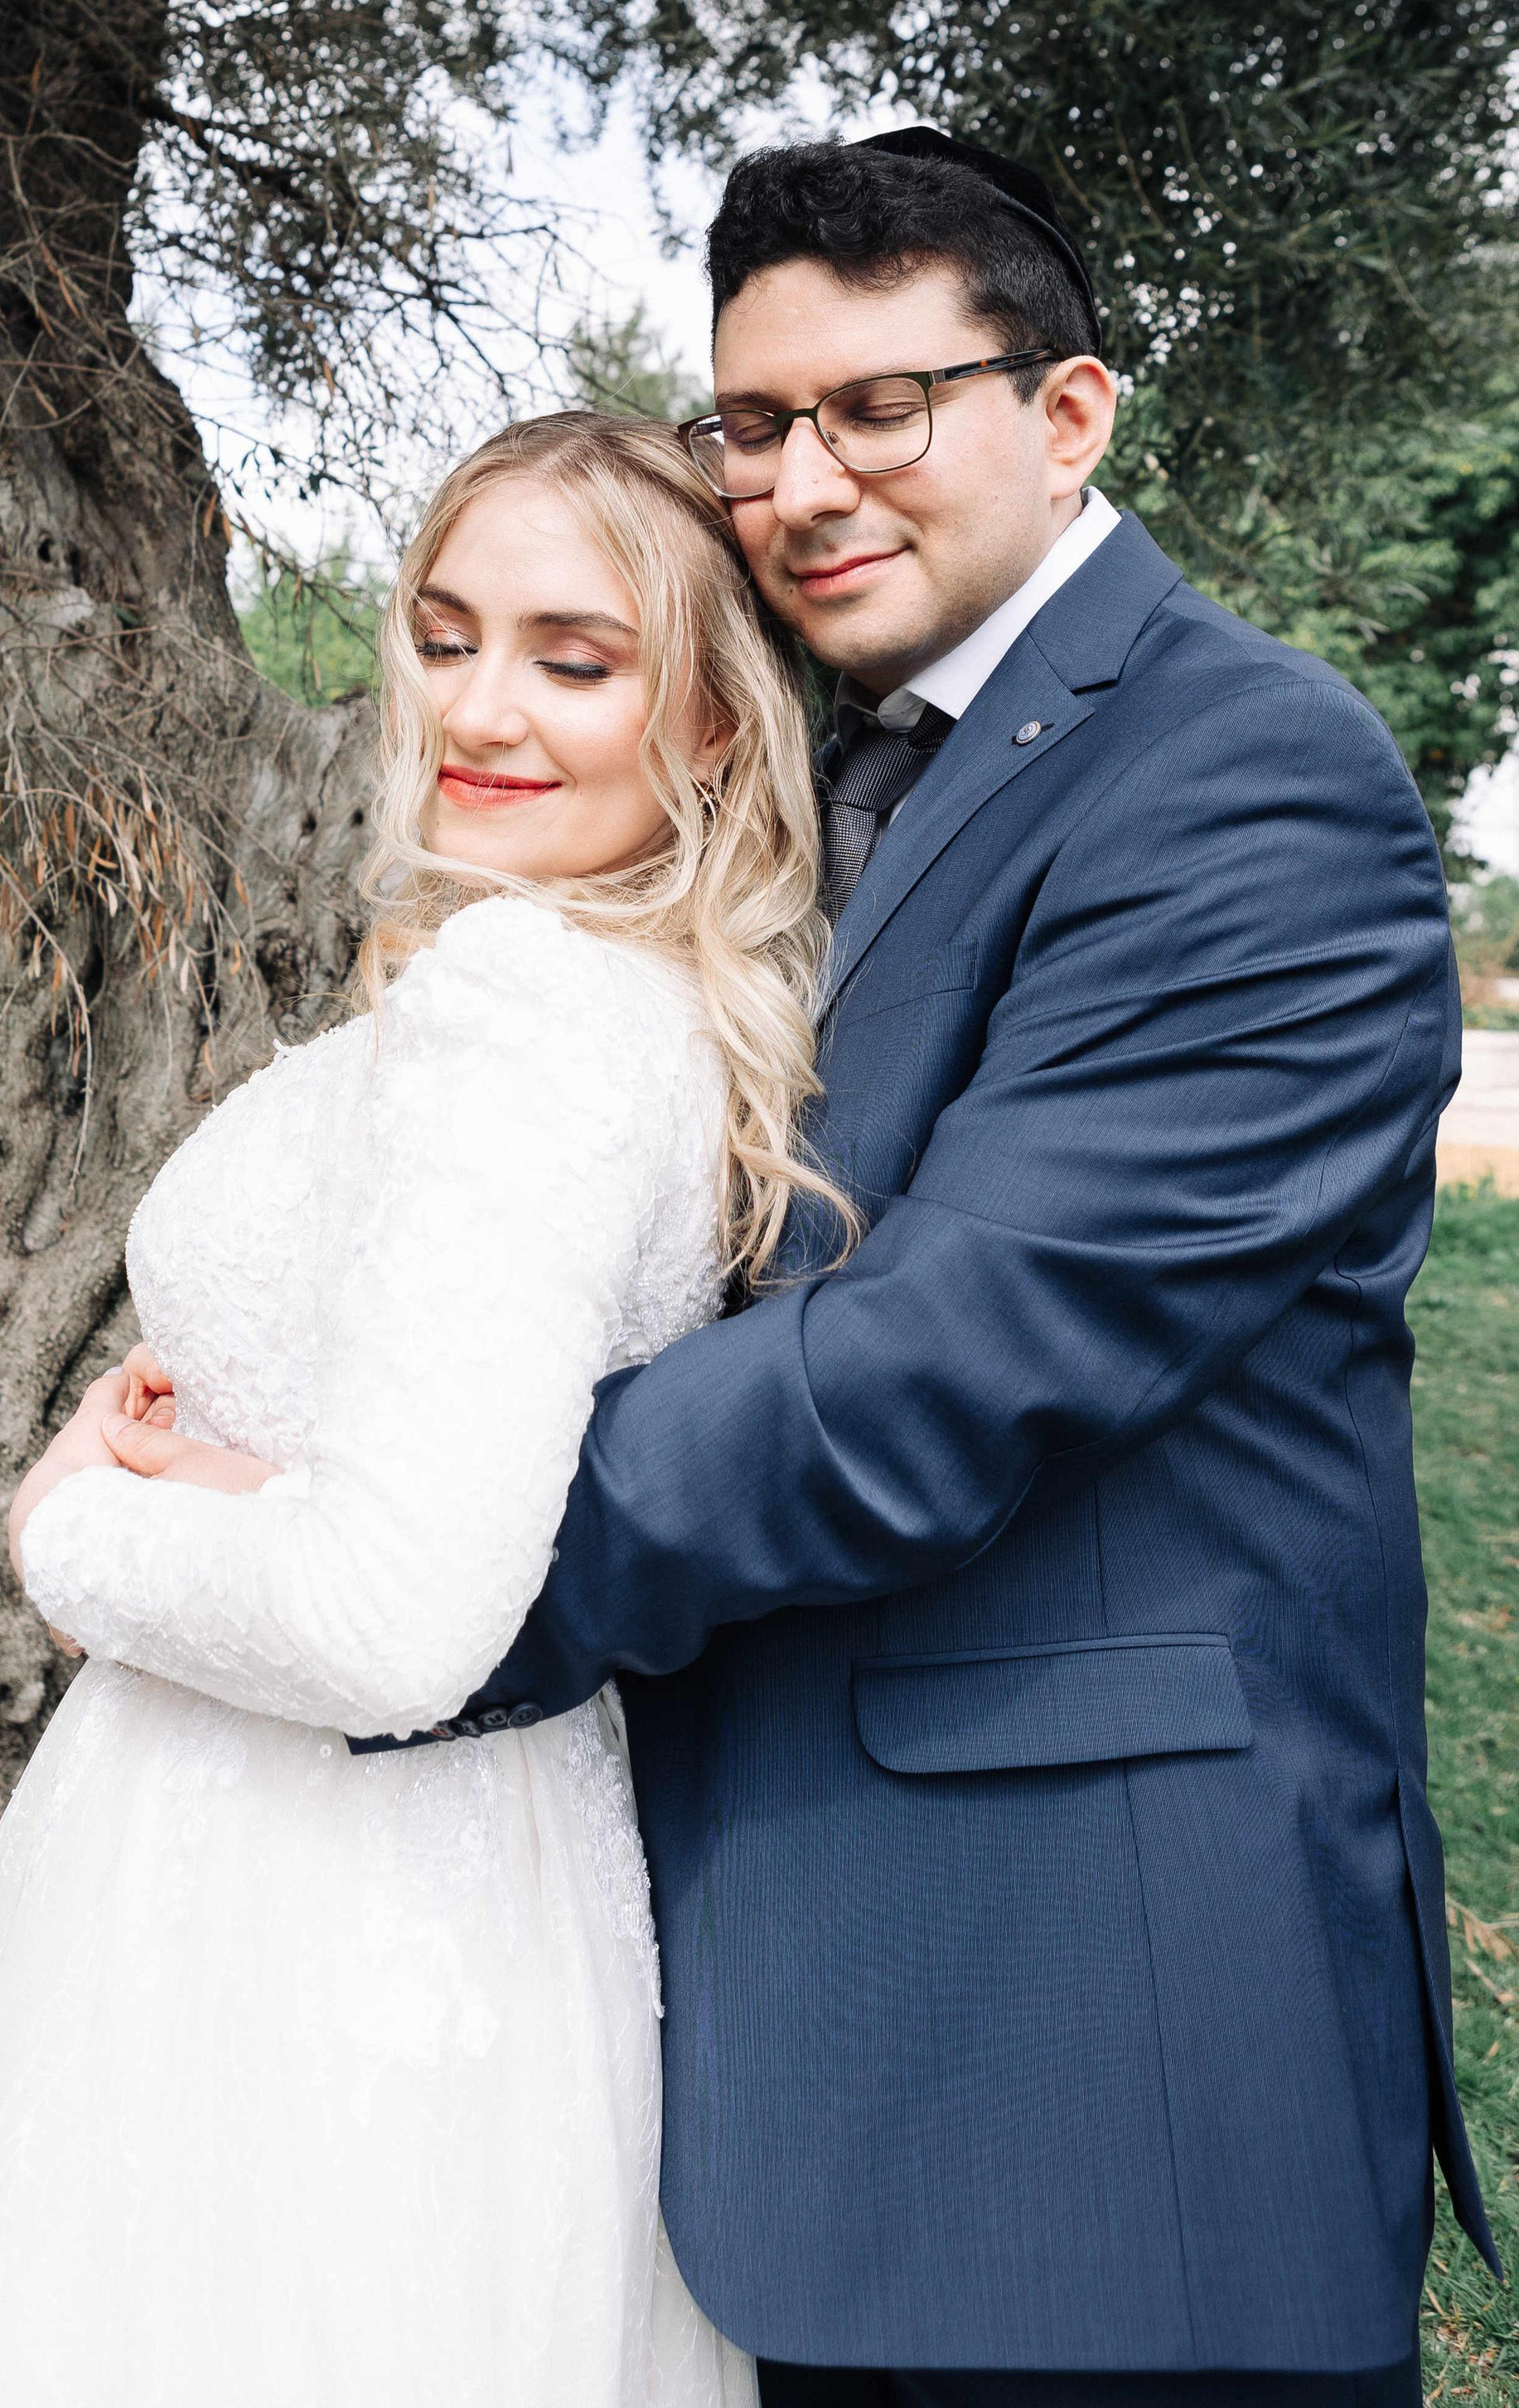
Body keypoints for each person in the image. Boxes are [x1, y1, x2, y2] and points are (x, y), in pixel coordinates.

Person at [423, 132, 1497, 2404]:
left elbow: (952, 1358)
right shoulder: (797, 761)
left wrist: (423, 1556)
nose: (806, 480)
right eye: (754, 424)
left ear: (1070, 414)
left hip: (1103, 2055)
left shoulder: (1245, 773)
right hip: (796, 2038)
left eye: (881, 408)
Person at [0, 411, 844, 2408]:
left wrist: (66, 1529)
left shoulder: (519, 1019)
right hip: (439, 1873)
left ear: (705, 727)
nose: (477, 707)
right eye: (441, 634)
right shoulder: (623, 999)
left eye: (573, 659)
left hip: (308, 1903)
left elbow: (388, 1621)